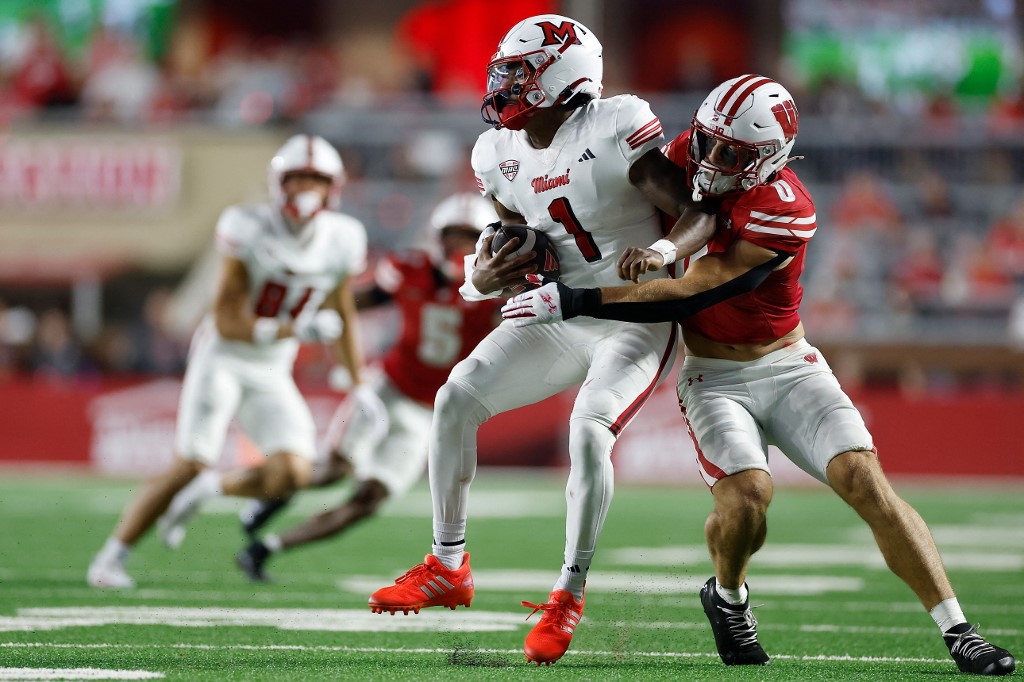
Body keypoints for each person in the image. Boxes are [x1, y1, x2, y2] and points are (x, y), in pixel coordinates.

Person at [500, 74, 1017, 676]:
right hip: (713, 374)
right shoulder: (683, 154)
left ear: (771, 157)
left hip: (789, 366)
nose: (712, 159)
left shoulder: (782, 205)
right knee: (748, 498)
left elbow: (695, 289)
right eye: (710, 142)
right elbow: (625, 205)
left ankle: (960, 631)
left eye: (732, 154)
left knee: (867, 484)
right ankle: (729, 597)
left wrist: (576, 300)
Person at [367, 14, 717, 666]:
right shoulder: (494, 153)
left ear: (562, 74)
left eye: (517, 72)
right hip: (556, 312)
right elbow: (506, 249)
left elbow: (698, 210)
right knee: (457, 398)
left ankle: (567, 594)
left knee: (588, 431)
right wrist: (482, 274)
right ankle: (448, 564)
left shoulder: (615, 124)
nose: (502, 83)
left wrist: (666, 249)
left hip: (634, 317)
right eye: (503, 70)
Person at [87, 134, 380, 589]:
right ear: (278, 182)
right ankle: (110, 557)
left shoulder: (343, 237)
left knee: (294, 472)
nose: (306, 187)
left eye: (315, 178)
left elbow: (342, 309)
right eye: (297, 177)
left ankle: (207, 491)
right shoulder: (248, 224)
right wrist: (293, 329)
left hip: (271, 367)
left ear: (333, 186)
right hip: (223, 357)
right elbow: (225, 319)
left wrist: (358, 383)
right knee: (190, 460)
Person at [232, 193, 503, 582]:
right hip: (387, 389)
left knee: (369, 498)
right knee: (333, 469)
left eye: (468, 235)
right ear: (437, 237)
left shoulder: (497, 292)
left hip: (430, 412)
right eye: (453, 234)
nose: (459, 243)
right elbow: (351, 301)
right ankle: (274, 492)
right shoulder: (407, 269)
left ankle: (265, 548)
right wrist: (301, 311)